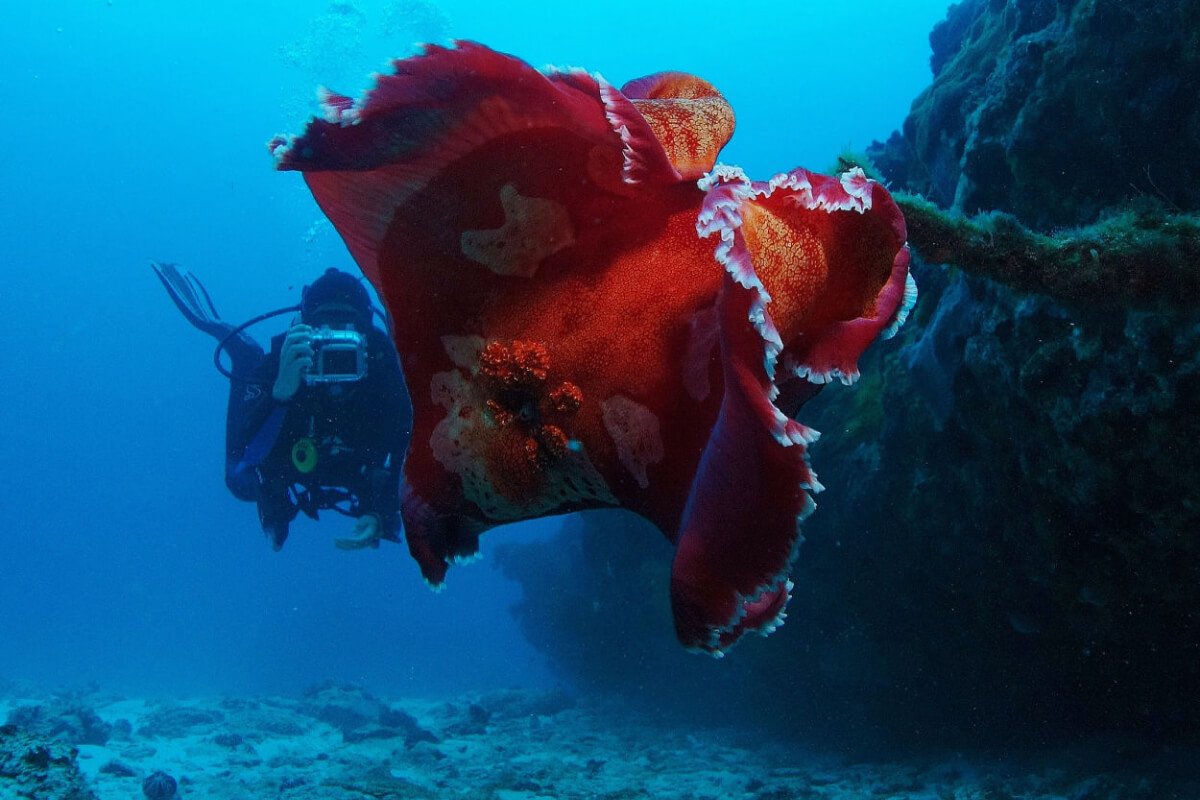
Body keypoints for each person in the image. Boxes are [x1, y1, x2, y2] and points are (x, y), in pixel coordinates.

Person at [154, 263, 412, 551]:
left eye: (348, 335)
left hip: (360, 469)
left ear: (368, 336)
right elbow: (244, 458)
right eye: (324, 335)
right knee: (239, 480)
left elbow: (408, 452)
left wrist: (381, 513)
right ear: (305, 330)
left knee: (412, 488)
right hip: (288, 461)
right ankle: (244, 354)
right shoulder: (282, 364)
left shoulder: (386, 372)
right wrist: (280, 394)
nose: (337, 352)